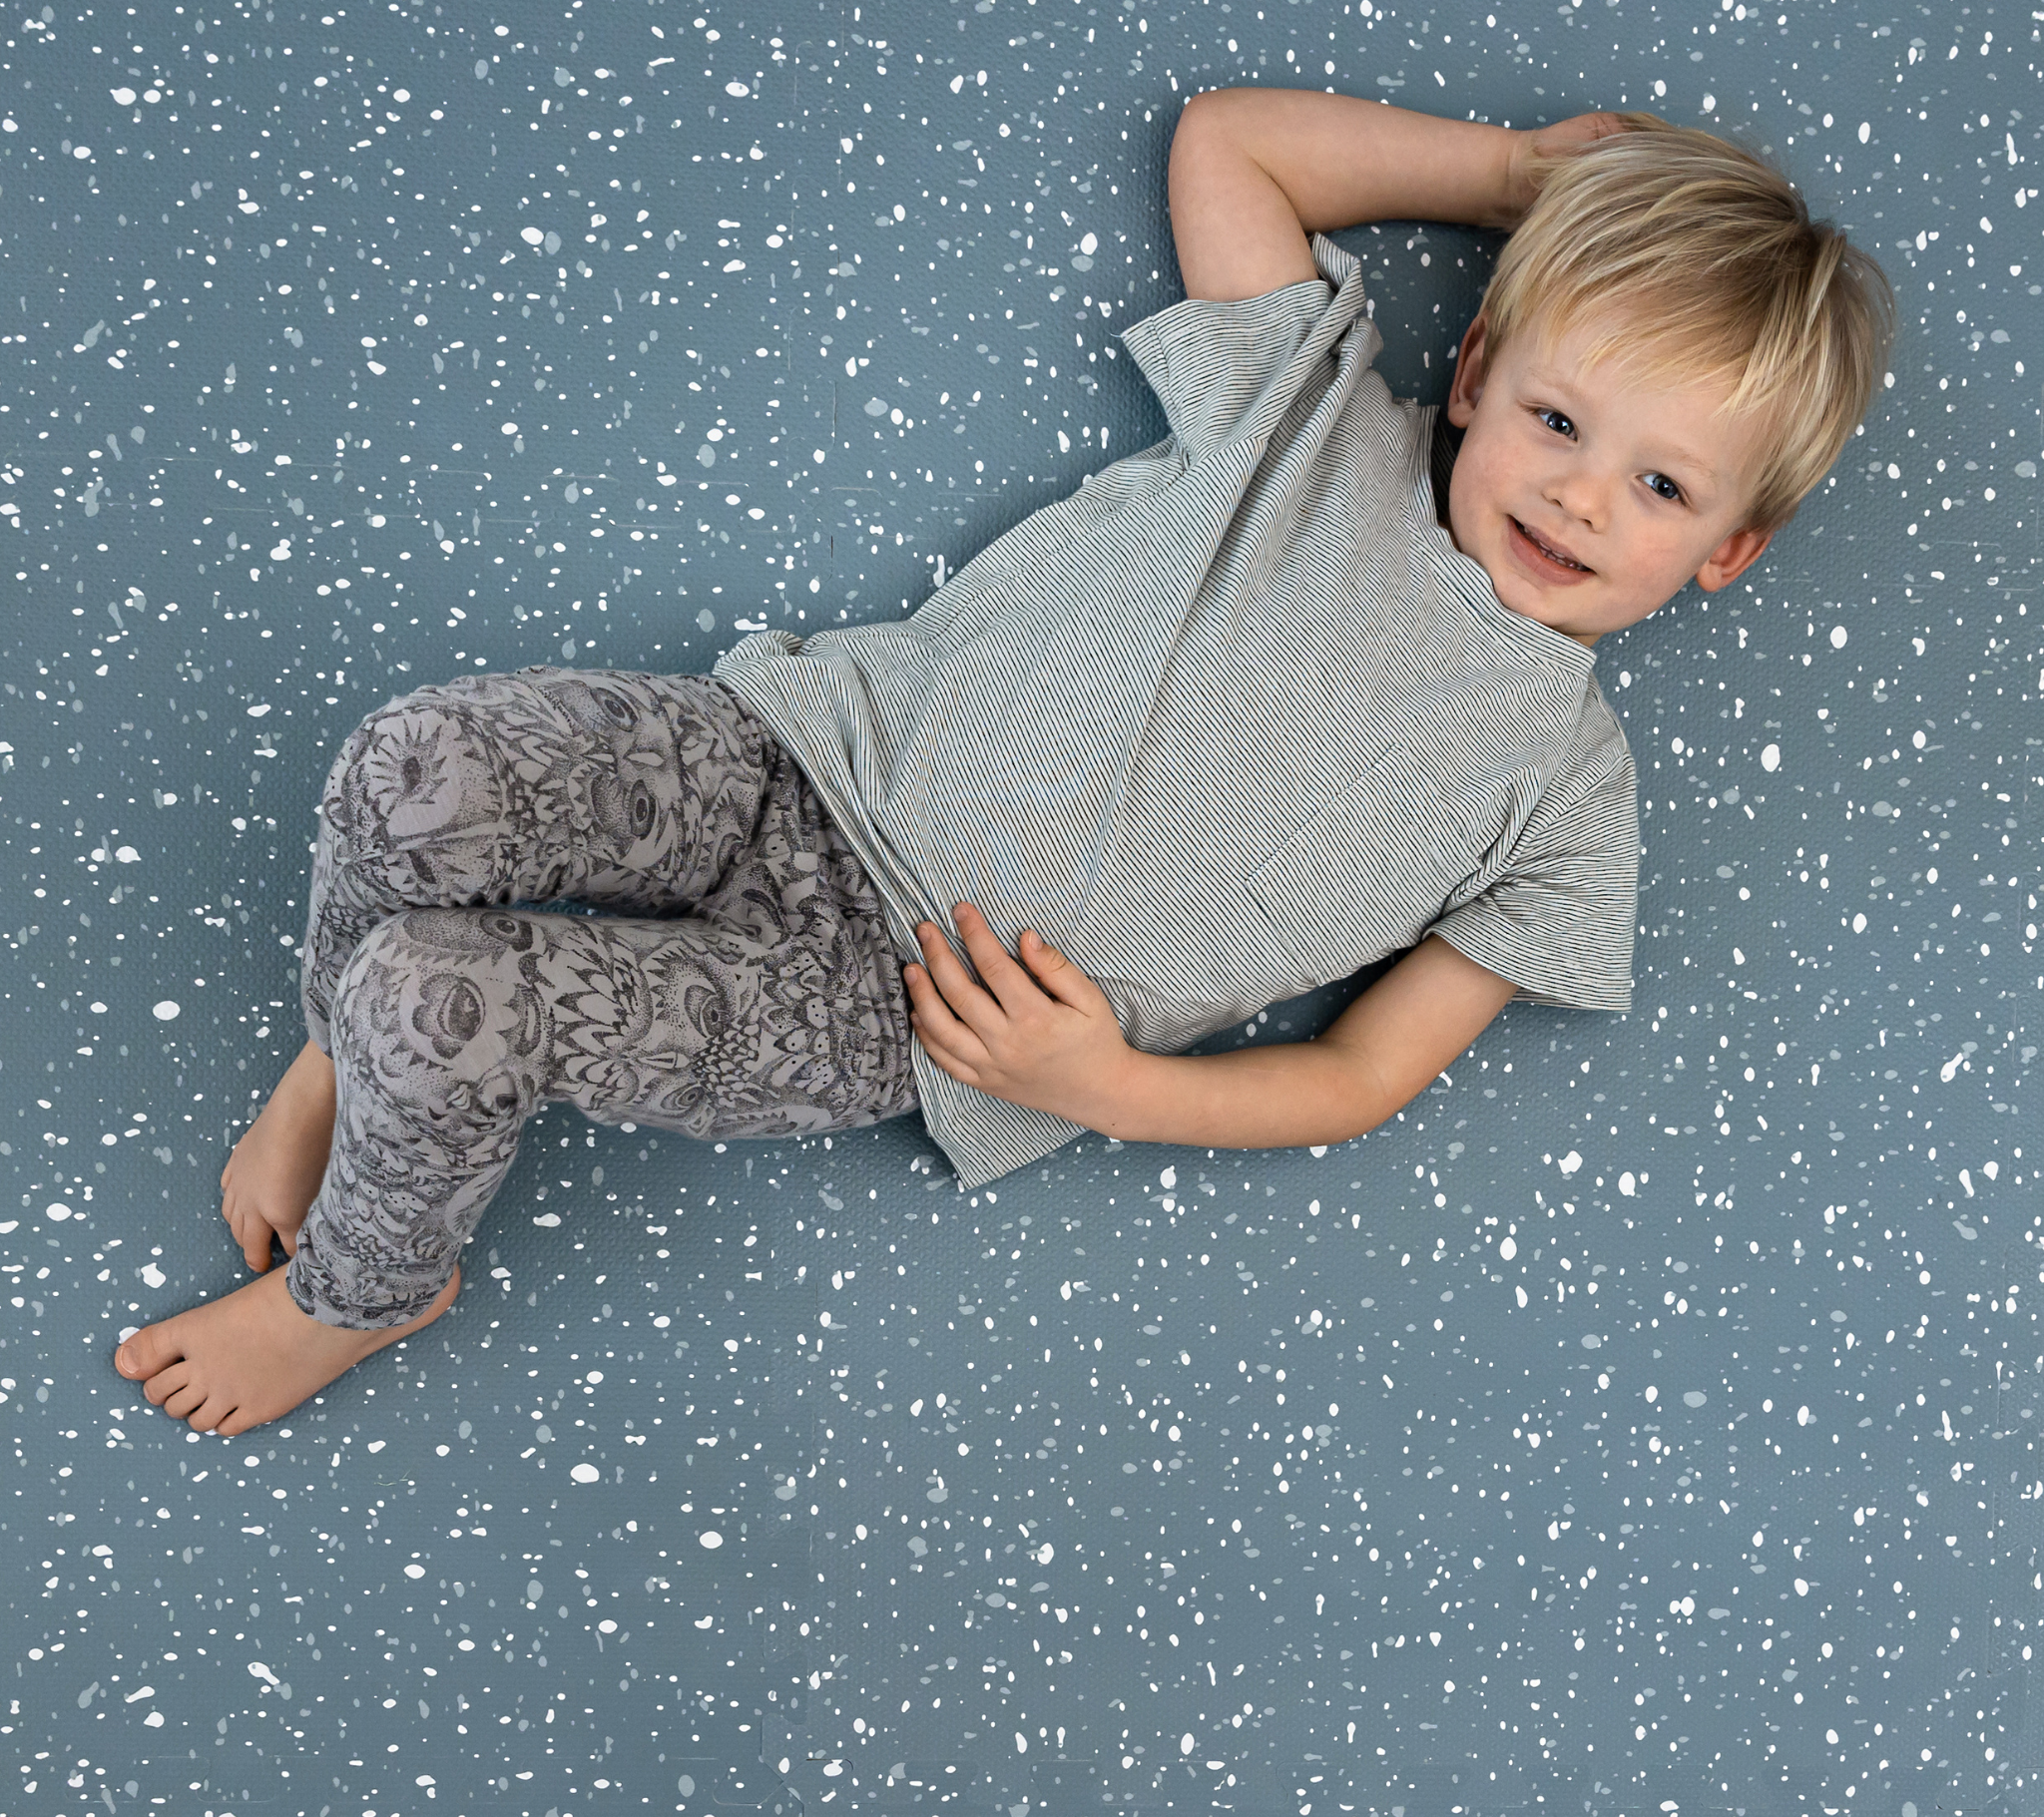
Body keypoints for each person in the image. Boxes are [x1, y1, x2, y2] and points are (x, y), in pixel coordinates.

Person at [113, 90, 1893, 1435]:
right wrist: (1522, 178)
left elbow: (1363, 1076)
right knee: (413, 765)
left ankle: (366, 1289)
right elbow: (1231, 150)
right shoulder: (1309, 421)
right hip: (788, 757)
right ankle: (347, 1059)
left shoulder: (1570, 804)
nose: (1584, 493)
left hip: (891, 1001)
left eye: (1663, 486)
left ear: (1729, 552)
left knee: (459, 995)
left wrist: (1107, 1085)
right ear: (1477, 376)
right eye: (1563, 420)